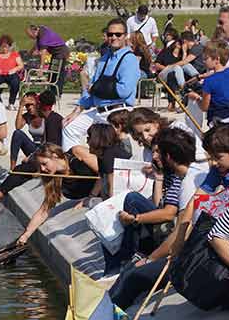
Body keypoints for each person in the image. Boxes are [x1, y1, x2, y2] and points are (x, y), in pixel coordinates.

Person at [106, 127, 199, 273]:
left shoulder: (185, 179)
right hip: (169, 234)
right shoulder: (170, 174)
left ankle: (124, 260)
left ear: (168, 156)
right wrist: (159, 178)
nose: (154, 156)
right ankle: (118, 265)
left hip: (176, 242)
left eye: (158, 152)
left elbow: (171, 216)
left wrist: (136, 219)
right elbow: (158, 206)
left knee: (132, 199)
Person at [60, 18, 139, 170]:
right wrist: (76, 111)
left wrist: (97, 88)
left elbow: (124, 91)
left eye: (118, 34)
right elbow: (91, 90)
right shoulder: (104, 59)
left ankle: (106, 170)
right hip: (99, 110)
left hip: (118, 110)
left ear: (126, 36)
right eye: (110, 34)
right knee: (70, 127)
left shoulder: (129, 59)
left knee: (107, 144)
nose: (114, 37)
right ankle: (71, 166)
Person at [16, 143, 100, 246]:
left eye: (44, 163)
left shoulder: (77, 153)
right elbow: (44, 211)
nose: (42, 169)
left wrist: (91, 196)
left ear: (55, 156)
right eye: (40, 166)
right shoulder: (54, 179)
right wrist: (26, 235)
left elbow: (105, 173)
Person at [187, 39, 229, 126]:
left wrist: (197, 97)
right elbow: (219, 74)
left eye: (206, 58)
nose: (203, 61)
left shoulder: (209, 81)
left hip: (215, 120)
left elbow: (204, 107)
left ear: (217, 59)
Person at [10, 90, 63, 168]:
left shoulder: (46, 115)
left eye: (31, 104)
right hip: (34, 147)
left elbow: (51, 142)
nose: (29, 107)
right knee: (17, 134)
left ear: (38, 103)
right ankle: (12, 167)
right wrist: (21, 106)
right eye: (27, 105)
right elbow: (18, 127)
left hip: (46, 149)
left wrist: (32, 156)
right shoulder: (28, 116)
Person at [0, 35, 24, 107]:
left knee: (15, 82)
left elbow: (21, 65)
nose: (4, 49)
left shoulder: (15, 55)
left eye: (6, 47)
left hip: (11, 74)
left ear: (10, 47)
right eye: (2, 47)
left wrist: (14, 69)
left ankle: (11, 102)